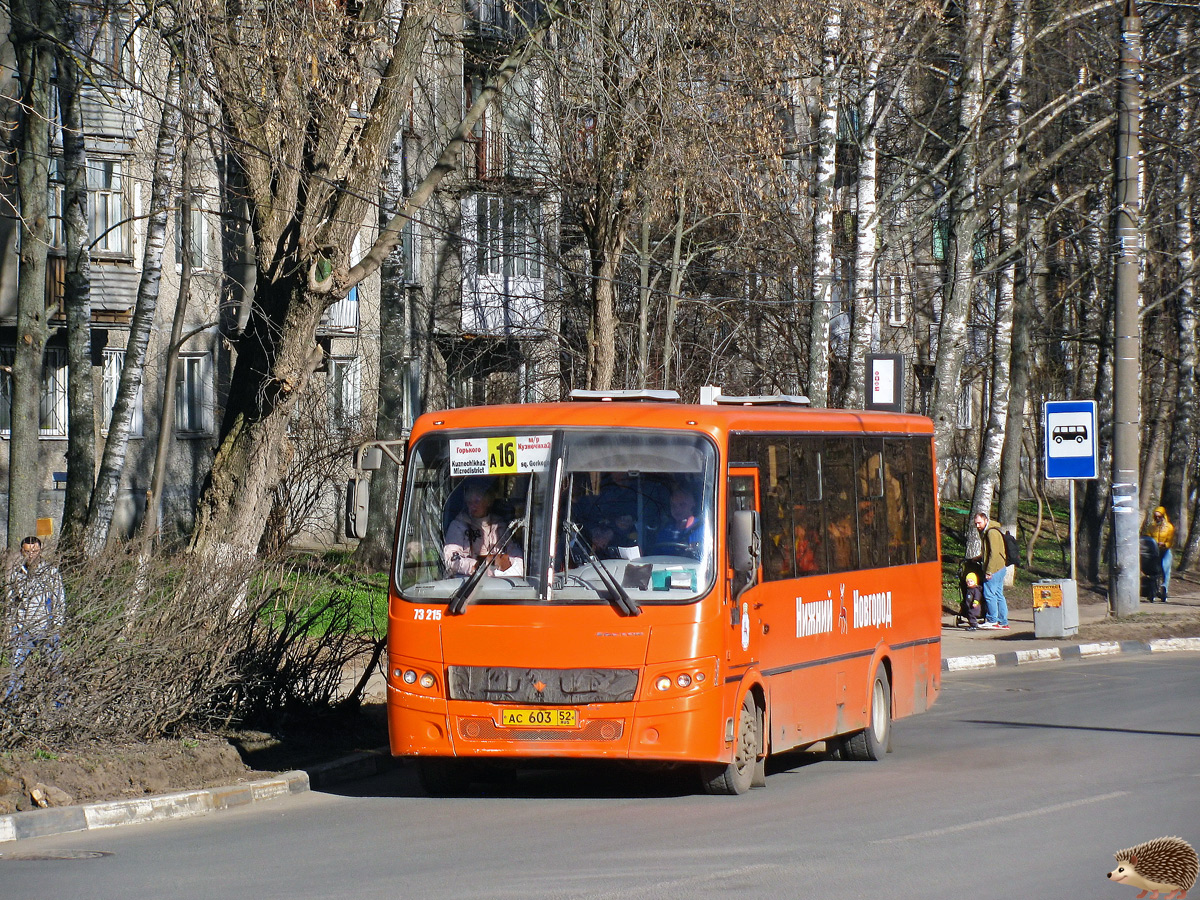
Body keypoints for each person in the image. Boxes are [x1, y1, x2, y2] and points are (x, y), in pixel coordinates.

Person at [5, 536, 66, 698]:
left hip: (46, 629)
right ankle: (12, 707)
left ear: (40, 551)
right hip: (22, 630)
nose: (31, 555)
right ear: (21, 552)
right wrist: (12, 629)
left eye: (35, 551)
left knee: (54, 669)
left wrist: (57, 626)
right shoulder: (17, 575)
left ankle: (60, 705)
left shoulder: (51, 573)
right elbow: (12, 602)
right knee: (15, 672)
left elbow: (58, 600)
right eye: (27, 551)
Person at [443, 478, 524, 577]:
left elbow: (517, 555)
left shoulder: (500, 525)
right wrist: (476, 566)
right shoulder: (458, 525)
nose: (472, 506)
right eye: (469, 502)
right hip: (468, 583)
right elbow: (451, 559)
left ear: (488, 502)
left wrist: (511, 566)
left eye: (476, 502)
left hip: (501, 584)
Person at [973, 512, 1010, 630]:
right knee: (999, 595)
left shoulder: (991, 532)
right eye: (975, 523)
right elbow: (990, 552)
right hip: (1000, 567)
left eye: (979, 523)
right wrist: (979, 558)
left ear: (985, 520)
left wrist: (989, 571)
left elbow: (993, 553)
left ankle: (993, 620)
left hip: (994, 568)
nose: (977, 525)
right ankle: (1003, 622)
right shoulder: (992, 530)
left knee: (989, 594)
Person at [651, 486, 702, 557]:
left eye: (682, 505)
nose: (677, 509)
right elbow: (655, 557)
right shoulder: (665, 532)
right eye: (673, 505)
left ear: (693, 504)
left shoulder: (703, 530)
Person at [1144, 506, 1175, 601]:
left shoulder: (1169, 527)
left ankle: (1164, 589)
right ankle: (1153, 591)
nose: (1157, 518)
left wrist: (1164, 544)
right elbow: (1148, 536)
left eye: (1159, 516)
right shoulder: (1152, 527)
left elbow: (1170, 541)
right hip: (1154, 551)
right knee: (1154, 571)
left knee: (1165, 568)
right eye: (1155, 516)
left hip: (1165, 551)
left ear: (1163, 516)